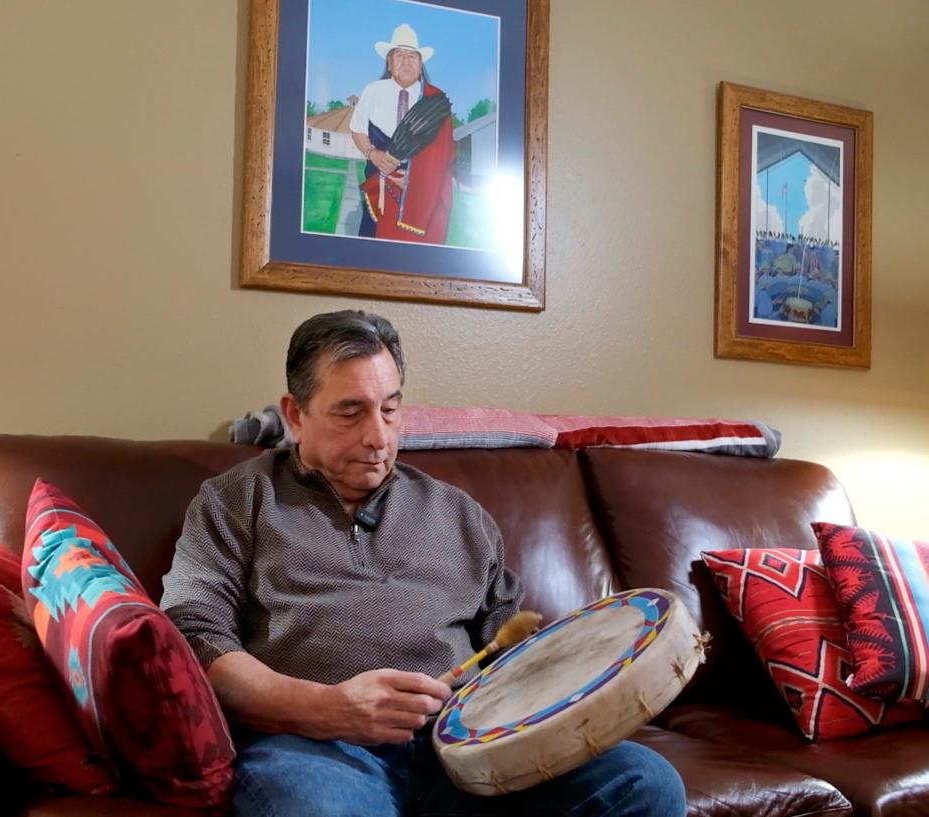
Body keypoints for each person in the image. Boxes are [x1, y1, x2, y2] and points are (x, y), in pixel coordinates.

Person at [161, 310, 687, 816]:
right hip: (314, 746)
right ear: (296, 414)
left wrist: (559, 662)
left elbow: (505, 633)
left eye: (390, 410)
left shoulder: (457, 512)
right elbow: (195, 638)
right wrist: (329, 709)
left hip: (463, 745)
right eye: (351, 412)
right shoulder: (236, 501)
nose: (379, 437)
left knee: (644, 782)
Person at [350, 24, 454, 243]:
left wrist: (415, 180)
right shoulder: (373, 90)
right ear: (389, 63)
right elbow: (357, 130)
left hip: (419, 196)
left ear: (420, 63)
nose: (406, 60)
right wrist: (373, 154)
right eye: (399, 54)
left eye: (412, 55)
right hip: (377, 189)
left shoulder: (434, 102)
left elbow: (444, 156)